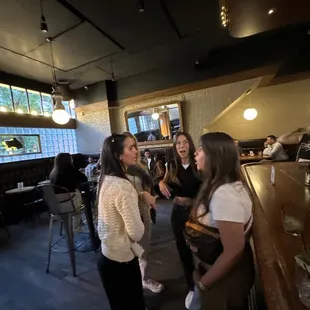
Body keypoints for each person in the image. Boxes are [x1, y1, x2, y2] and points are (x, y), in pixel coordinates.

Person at [186, 132, 254, 310]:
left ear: (215, 156)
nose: (195, 153)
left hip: (223, 279)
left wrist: (203, 284)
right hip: (214, 270)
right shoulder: (219, 185)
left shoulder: (226, 195)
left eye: (200, 149)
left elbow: (234, 251)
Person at [96, 134, 145, 310]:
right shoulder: (123, 186)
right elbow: (136, 233)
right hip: (122, 261)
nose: (136, 151)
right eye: (130, 148)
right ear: (119, 155)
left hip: (106, 254)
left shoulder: (105, 179)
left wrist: (140, 196)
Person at [159, 132, 201, 309]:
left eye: (185, 143)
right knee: (183, 250)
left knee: (198, 249)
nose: (182, 146)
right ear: (175, 147)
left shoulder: (199, 164)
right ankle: (191, 286)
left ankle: (203, 283)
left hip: (195, 212)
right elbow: (165, 180)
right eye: (178, 144)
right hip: (177, 212)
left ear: (190, 145)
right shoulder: (172, 165)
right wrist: (162, 182)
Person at [123, 132, 164, 293]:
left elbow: (148, 189)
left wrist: (149, 197)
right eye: (129, 147)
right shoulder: (115, 173)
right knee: (127, 253)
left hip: (143, 213)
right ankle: (130, 285)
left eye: (135, 146)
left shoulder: (141, 167)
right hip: (126, 216)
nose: (134, 151)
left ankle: (144, 279)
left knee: (144, 249)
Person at [49, 152, 87, 231]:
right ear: (68, 160)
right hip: (70, 205)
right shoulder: (71, 170)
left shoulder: (53, 173)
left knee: (75, 194)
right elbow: (84, 179)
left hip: (56, 207)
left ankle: (77, 224)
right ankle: (77, 226)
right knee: (81, 196)